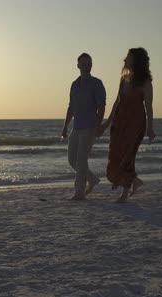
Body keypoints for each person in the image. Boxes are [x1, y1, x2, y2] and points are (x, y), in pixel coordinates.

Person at [96, 47, 156, 203]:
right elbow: (117, 103)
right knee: (116, 155)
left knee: (128, 156)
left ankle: (124, 193)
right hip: (119, 122)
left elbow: (149, 106)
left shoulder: (145, 82)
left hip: (136, 123)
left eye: (128, 57)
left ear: (136, 60)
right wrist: (106, 124)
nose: (124, 60)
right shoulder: (124, 79)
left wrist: (150, 128)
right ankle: (135, 181)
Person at [61, 53, 106, 200]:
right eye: (84, 64)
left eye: (89, 64)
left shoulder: (96, 83)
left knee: (81, 161)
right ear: (78, 65)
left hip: (90, 127)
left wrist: (99, 126)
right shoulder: (74, 84)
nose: (87, 67)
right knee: (72, 160)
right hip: (77, 127)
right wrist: (65, 127)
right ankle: (92, 179)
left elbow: (101, 106)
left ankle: (79, 193)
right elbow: (71, 107)